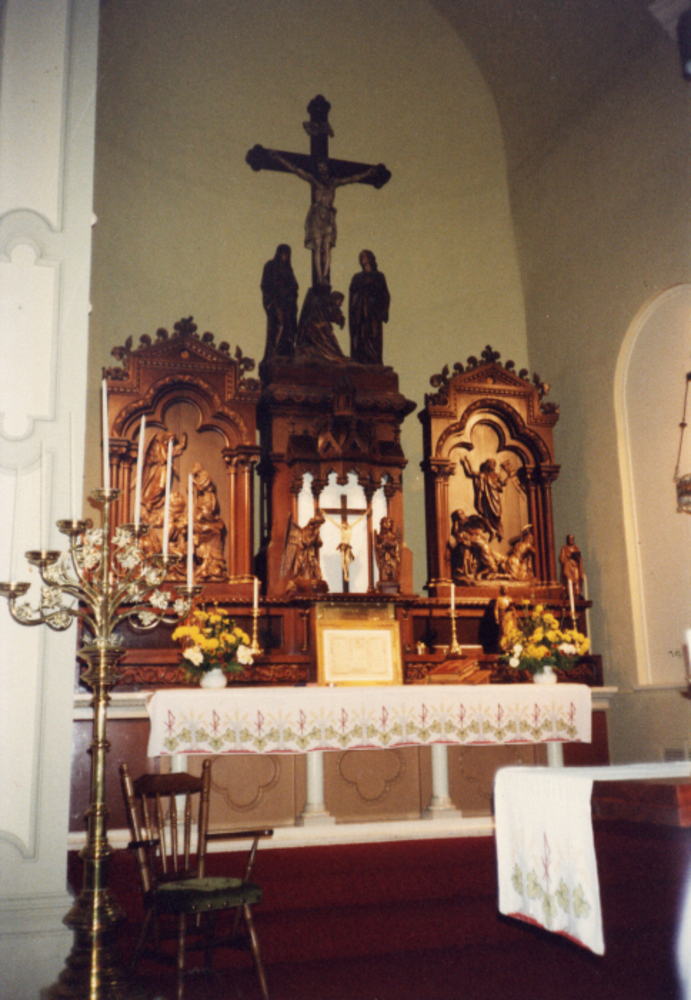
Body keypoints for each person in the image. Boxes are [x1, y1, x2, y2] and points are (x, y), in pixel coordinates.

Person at [266, 150, 379, 286]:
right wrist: (279, 158)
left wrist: (367, 173)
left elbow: (351, 179)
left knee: (327, 247)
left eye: (324, 166)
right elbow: (296, 169)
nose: (322, 169)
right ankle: (319, 277)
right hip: (317, 217)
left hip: (328, 218)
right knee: (318, 245)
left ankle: (325, 276)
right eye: (319, 167)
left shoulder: (333, 182)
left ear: (327, 168)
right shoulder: (313, 180)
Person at [461, 455, 516, 542]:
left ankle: (497, 530)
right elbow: (471, 473)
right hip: (487, 497)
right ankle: (492, 530)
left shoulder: (496, 475)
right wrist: (466, 462)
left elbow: (503, 483)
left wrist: (508, 476)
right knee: (487, 514)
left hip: (495, 497)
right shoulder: (482, 475)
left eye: (493, 464)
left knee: (498, 515)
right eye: (491, 464)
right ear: (487, 465)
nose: (492, 466)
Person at [348, 250, 390, 364]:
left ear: (370, 258)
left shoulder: (379, 276)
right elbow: (352, 295)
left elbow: (385, 295)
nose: (363, 259)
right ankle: (360, 361)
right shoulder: (357, 277)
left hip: (374, 313)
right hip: (360, 314)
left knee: (374, 337)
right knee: (360, 338)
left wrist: (383, 311)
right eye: (361, 257)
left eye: (365, 257)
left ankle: (374, 362)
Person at [260, 244, 299, 362]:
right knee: (278, 327)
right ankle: (273, 353)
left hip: (288, 304)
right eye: (284, 253)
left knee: (288, 329)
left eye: (287, 254)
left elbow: (295, 285)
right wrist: (274, 296)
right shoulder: (270, 266)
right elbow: (265, 285)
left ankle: (285, 353)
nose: (285, 256)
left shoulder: (288, 269)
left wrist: (288, 291)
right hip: (276, 302)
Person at [191, 463, 227, 580]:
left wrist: (193, 481)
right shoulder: (199, 479)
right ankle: (203, 562)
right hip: (203, 507)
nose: (192, 470)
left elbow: (201, 487)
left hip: (208, 505)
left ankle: (209, 562)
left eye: (194, 468)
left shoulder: (205, 477)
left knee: (202, 522)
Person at [320, 507, 369, 584]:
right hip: (343, 545)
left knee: (346, 560)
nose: (343, 527)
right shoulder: (341, 528)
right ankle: (345, 573)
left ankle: (346, 572)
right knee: (343, 559)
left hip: (348, 545)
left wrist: (365, 513)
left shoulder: (350, 527)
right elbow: (332, 521)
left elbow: (359, 520)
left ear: (346, 524)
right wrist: (324, 513)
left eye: (344, 525)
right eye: (342, 525)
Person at [374, 516, 400, 583]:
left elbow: (396, 545)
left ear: (391, 524)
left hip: (392, 558)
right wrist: (382, 545)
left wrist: (389, 544)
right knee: (384, 576)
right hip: (384, 559)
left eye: (388, 522)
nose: (387, 524)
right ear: (382, 524)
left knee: (394, 575)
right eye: (385, 522)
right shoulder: (380, 536)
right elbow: (378, 548)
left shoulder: (393, 535)